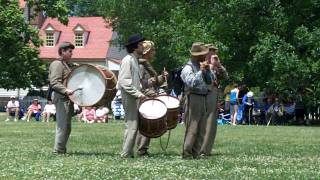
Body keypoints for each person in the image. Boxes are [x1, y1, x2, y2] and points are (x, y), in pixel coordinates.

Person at [181, 42, 214, 159]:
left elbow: (210, 82)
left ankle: (196, 152)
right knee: (193, 127)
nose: (205, 56)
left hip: (204, 97)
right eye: (203, 54)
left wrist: (207, 71)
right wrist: (200, 72)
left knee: (202, 128)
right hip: (193, 98)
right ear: (196, 55)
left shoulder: (202, 65)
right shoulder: (187, 68)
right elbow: (192, 83)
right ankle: (187, 152)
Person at [135, 40, 168, 156]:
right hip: (143, 98)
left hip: (148, 97)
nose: (154, 52)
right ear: (146, 52)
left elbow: (153, 82)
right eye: (153, 50)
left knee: (147, 124)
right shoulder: (140, 65)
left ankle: (143, 149)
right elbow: (141, 84)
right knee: (144, 125)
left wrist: (162, 78)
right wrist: (154, 80)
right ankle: (141, 150)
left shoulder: (146, 64)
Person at [117, 34, 146, 158]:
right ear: (135, 47)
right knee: (132, 125)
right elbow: (124, 82)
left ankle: (128, 151)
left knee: (132, 125)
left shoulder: (134, 59)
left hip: (133, 95)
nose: (143, 47)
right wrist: (139, 94)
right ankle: (126, 153)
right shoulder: (127, 60)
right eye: (140, 45)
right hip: (129, 95)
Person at [200, 44, 228, 156]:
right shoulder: (202, 64)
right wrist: (210, 67)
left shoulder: (215, 65)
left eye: (214, 51)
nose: (213, 53)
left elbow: (225, 77)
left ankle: (206, 150)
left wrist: (219, 65)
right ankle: (200, 148)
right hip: (204, 95)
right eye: (210, 51)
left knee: (212, 124)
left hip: (214, 95)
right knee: (203, 123)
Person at [49, 42, 75, 154]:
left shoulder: (65, 64)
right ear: (63, 51)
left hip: (66, 98)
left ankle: (61, 149)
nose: (71, 53)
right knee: (62, 125)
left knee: (67, 126)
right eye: (69, 51)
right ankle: (58, 151)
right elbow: (54, 82)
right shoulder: (57, 64)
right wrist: (66, 90)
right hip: (61, 97)